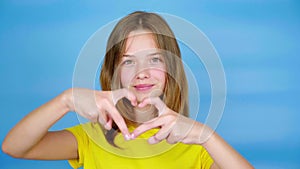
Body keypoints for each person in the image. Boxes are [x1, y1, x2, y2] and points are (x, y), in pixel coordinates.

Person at [2, 11, 253, 169]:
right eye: (129, 61)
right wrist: (66, 100)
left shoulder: (195, 144)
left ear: (171, 70)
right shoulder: (91, 138)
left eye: (154, 59)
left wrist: (205, 135)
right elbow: (14, 147)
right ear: (114, 72)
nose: (141, 72)